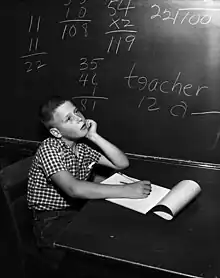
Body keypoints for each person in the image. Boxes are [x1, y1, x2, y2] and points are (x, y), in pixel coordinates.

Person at [27, 95, 151, 268]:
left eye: (76, 111)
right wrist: (127, 191)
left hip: (76, 210)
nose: (79, 118)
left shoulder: (82, 148)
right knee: (94, 258)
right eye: (69, 118)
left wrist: (94, 136)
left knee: (117, 238)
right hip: (51, 221)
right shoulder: (49, 149)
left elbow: (121, 163)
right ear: (56, 132)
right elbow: (74, 189)